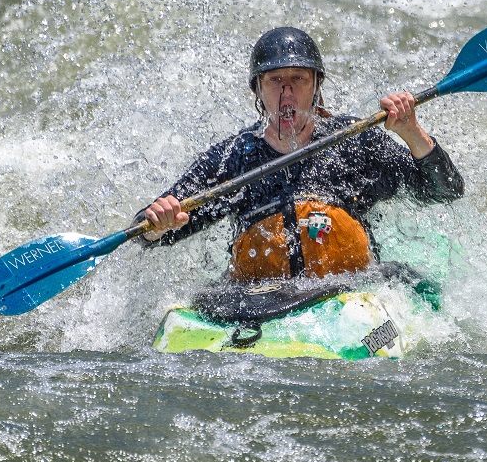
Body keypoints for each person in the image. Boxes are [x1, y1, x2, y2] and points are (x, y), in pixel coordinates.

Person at [137, 26, 464, 282]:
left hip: (350, 295)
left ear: (316, 85)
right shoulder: (234, 158)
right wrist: (158, 225)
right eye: (275, 80)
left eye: (298, 79)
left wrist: (412, 132)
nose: (287, 93)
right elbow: (148, 229)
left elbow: (445, 190)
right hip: (262, 302)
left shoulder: (354, 142)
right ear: (257, 89)